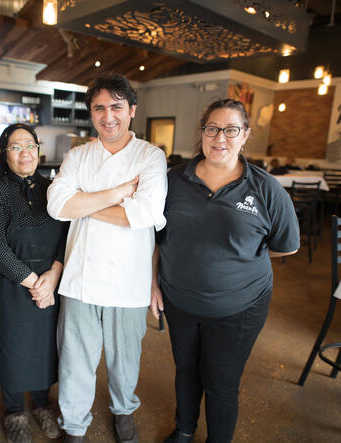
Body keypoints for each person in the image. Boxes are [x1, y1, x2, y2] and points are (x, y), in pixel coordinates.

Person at [150, 98, 300, 443]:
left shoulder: (266, 189)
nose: (221, 137)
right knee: (186, 369)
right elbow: (156, 238)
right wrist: (154, 284)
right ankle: (185, 428)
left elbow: (286, 245)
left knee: (220, 381)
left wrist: (239, 260)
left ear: (245, 135)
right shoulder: (172, 181)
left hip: (240, 308)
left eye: (231, 129)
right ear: (202, 133)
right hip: (179, 299)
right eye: (212, 129)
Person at [46, 73, 168, 442]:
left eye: (116, 106)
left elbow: (145, 214)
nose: (108, 116)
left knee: (124, 358)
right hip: (81, 277)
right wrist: (117, 194)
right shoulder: (79, 155)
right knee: (75, 359)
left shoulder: (150, 156)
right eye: (99, 108)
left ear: (132, 109)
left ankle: (123, 408)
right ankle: (74, 425)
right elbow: (55, 206)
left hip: (129, 280)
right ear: (91, 114)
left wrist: (82, 203)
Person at [0, 124, 69, 443]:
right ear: (5, 155)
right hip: (15, 282)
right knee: (12, 345)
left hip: (51, 280)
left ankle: (43, 403)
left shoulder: (53, 188)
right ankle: (15, 409)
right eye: (15, 147)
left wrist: (53, 276)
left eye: (30, 145)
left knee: (47, 345)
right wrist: (35, 283)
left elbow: (67, 236)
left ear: (38, 149)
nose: (25, 153)